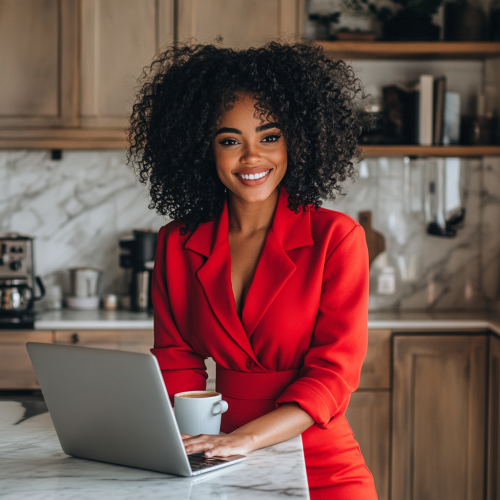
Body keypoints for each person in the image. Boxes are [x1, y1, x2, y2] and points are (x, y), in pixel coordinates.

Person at [128, 41, 378, 499]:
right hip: (214, 458)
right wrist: (195, 446)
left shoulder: (336, 238)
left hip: (317, 459)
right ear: (202, 148)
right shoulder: (176, 243)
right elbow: (177, 358)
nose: (251, 158)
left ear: (298, 139)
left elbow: (333, 375)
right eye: (229, 141)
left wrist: (245, 439)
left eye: (269, 136)